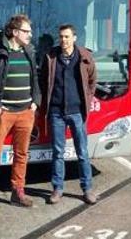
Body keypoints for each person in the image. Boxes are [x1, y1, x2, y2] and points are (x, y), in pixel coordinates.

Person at [0, 14, 41, 217]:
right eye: (26, 31)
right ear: (14, 32)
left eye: (30, 31)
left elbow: (35, 77)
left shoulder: (29, 51)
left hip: (25, 112)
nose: (30, 35)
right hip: (3, 114)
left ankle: (17, 192)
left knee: (21, 155)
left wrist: (35, 101)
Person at [40, 24, 98, 205]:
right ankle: (57, 189)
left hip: (77, 113)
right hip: (56, 113)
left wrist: (87, 99)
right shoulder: (51, 57)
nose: (63, 40)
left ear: (74, 38)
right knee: (58, 152)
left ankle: (87, 189)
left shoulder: (85, 57)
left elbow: (92, 81)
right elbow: (43, 81)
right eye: (61, 37)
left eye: (67, 37)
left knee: (82, 152)